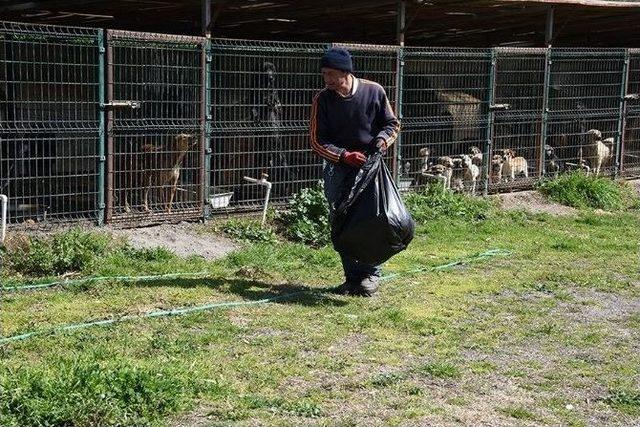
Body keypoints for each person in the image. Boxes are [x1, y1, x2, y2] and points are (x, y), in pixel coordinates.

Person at [310, 47, 400, 297]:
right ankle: (351, 277)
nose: (326, 80)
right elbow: (317, 140)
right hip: (339, 169)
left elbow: (392, 124)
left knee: (373, 218)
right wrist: (343, 155)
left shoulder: (374, 91)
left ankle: (371, 275)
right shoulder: (323, 99)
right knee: (342, 221)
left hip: (370, 167)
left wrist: (382, 140)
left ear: (345, 72)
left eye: (331, 74)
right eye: (324, 74)